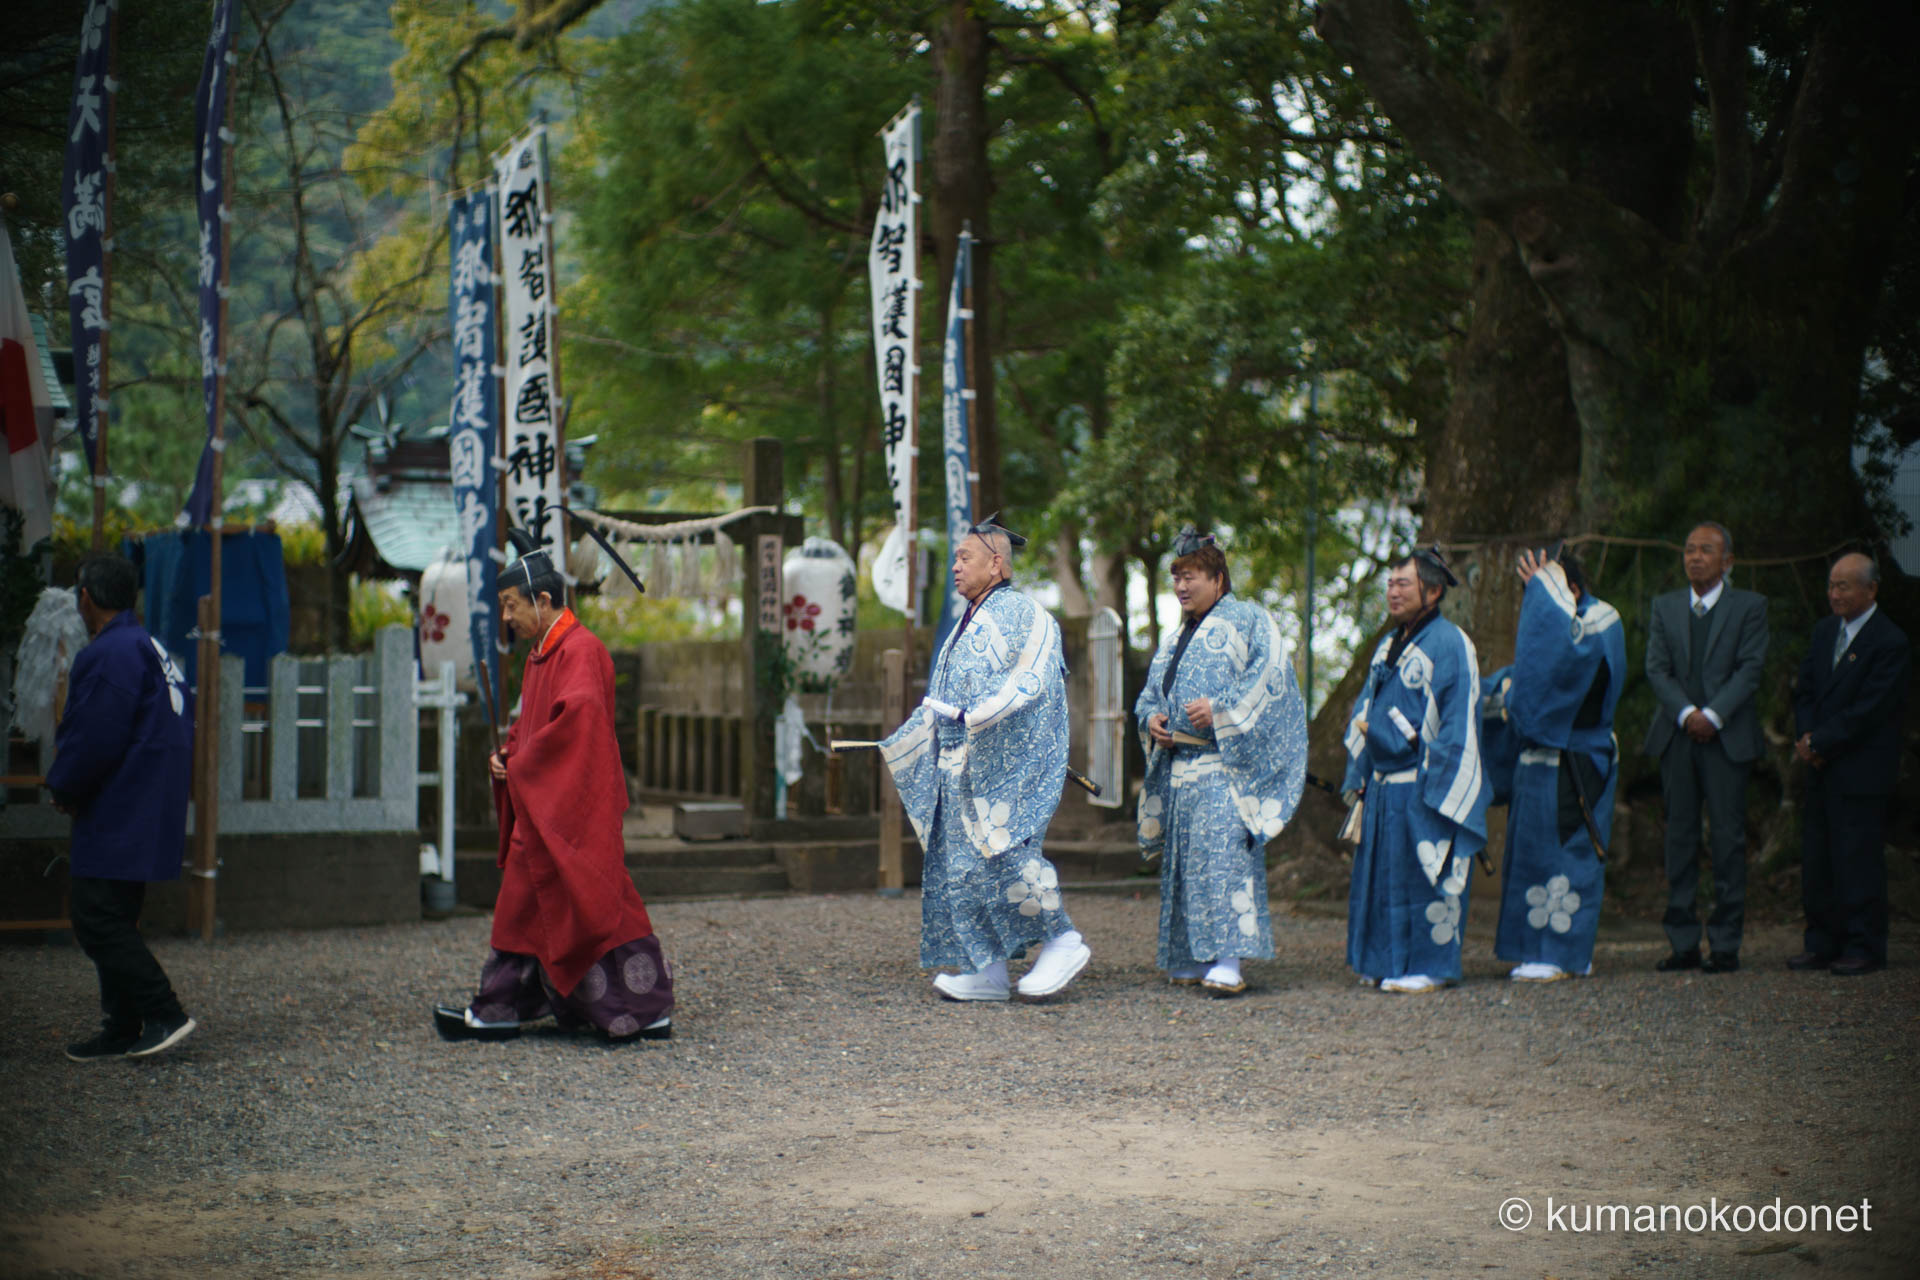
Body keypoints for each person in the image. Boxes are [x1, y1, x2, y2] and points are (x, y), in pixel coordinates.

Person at [434, 547, 674, 1044]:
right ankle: (505, 1006)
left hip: (573, 802)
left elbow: (579, 720)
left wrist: (525, 763)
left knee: (583, 897)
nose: (506, 617)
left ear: (542, 600)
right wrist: (510, 754)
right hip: (546, 799)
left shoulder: (581, 650)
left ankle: (511, 1007)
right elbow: (534, 724)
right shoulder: (546, 651)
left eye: (511, 604)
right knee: (544, 900)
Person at [879, 514, 1090, 1001]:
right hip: (960, 764)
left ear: (996, 564)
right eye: (955, 557)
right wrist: (907, 738)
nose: (955, 566)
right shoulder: (964, 622)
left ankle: (1062, 939)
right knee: (962, 868)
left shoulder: (1025, 614)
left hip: (1004, 764)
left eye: (964, 557)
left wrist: (975, 714)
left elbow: (1030, 682)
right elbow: (937, 700)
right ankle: (987, 968)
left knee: (1006, 852)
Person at [1135, 526, 1306, 995]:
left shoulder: (1250, 620)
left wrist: (1222, 710)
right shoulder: (1174, 640)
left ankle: (1229, 959)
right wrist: (1150, 719)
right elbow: (1149, 696)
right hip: (1180, 773)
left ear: (1218, 579)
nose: (1181, 587)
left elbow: (1272, 683)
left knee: (1223, 861)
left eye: (1190, 576)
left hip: (1225, 768)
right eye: (1175, 577)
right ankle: (1192, 956)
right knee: (1186, 868)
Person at [48, 554, 197, 1061]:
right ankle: (122, 1025)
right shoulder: (150, 646)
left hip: (121, 801)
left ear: (85, 597)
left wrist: (64, 786)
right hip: (151, 798)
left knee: (95, 918)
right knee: (115, 914)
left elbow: (95, 736)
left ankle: (163, 1010)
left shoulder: (110, 652)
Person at [1342, 547, 1490, 993]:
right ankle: (1386, 960)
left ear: (1433, 589)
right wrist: (1363, 772)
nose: (1393, 591)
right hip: (1386, 784)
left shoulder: (1451, 642)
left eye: (1402, 583)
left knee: (1423, 875)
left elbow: (1459, 722)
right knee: (1383, 877)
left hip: (1424, 781)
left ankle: (1429, 965)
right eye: (1389, 583)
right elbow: (1366, 707)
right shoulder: (1388, 645)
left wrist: (1424, 759)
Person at [1481, 546, 1626, 982]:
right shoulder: (1560, 622)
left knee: (1568, 854)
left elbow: (1563, 665)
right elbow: (1525, 678)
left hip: (1578, 755)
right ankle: (1536, 948)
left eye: (1545, 592)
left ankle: (1565, 952)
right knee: (1529, 855)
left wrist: (1545, 594)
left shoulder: (1601, 619)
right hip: (1537, 761)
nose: (1536, 602)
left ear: (1573, 588)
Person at [1643, 522, 1767, 973]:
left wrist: (1713, 716)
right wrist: (1687, 715)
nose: (1695, 557)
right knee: (1679, 837)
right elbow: (1657, 669)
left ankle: (1726, 942)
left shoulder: (1750, 607)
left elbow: (1750, 669)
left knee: (1728, 839)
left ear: (1728, 561)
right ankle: (1682, 941)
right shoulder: (1665, 606)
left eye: (1706, 550)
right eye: (1689, 549)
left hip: (1727, 738)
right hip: (1677, 737)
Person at [1788, 553, 1909, 976]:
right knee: (1818, 860)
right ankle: (1821, 941)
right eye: (1831, 586)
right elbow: (1804, 690)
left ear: (1871, 589)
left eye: (1844, 586)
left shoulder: (1889, 640)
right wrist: (1805, 738)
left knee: (1857, 859)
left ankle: (1863, 944)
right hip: (1819, 765)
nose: (1834, 594)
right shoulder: (1824, 632)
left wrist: (1821, 740)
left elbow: (1870, 709)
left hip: (1859, 768)